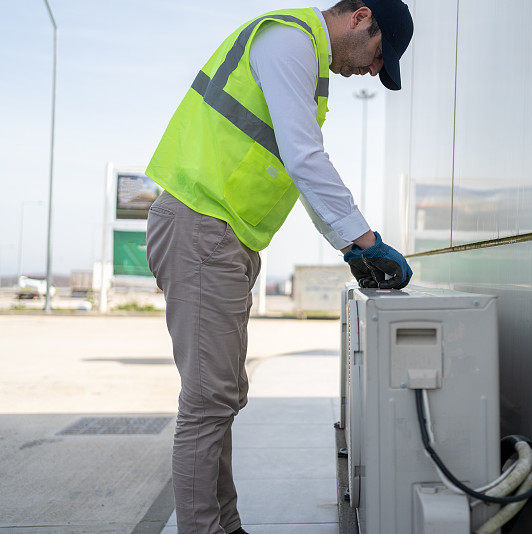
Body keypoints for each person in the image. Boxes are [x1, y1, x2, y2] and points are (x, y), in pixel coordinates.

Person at [144, 1, 413, 532]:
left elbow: (298, 168)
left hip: (223, 236)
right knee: (207, 402)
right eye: (380, 55)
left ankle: (226, 524)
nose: (373, 70)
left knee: (221, 396)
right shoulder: (288, 41)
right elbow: (304, 157)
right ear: (361, 17)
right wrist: (365, 239)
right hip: (202, 226)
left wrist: (350, 247)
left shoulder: (305, 60)